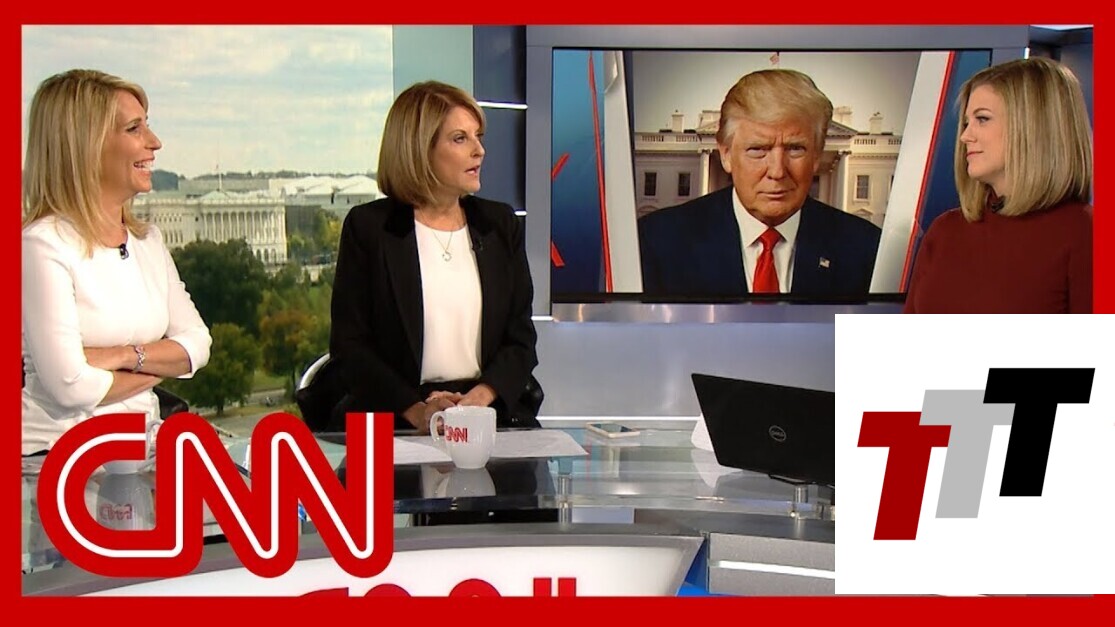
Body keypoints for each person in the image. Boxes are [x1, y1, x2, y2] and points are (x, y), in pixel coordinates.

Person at [329, 80, 541, 434]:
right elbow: (350, 347)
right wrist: (418, 412)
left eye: (478, 137)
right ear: (419, 149)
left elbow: (521, 339)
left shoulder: (499, 225)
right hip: (396, 418)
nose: (479, 151)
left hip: (489, 412)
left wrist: (477, 400)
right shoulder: (370, 229)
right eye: (460, 139)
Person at [22, 69, 212, 456]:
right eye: (134, 129)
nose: (154, 142)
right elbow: (71, 386)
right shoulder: (42, 246)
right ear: (86, 145)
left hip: (142, 448)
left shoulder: (147, 242)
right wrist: (161, 362)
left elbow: (197, 346)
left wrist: (125, 357)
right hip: (58, 460)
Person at [638, 69, 881, 298]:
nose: (777, 171)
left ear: (817, 156)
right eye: (758, 149)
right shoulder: (657, 242)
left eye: (795, 149)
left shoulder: (867, 250)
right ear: (725, 154)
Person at [904, 57, 1092, 313]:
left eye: (982, 119)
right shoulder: (944, 232)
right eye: (966, 122)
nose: (965, 136)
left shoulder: (1084, 232)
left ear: (1032, 126)